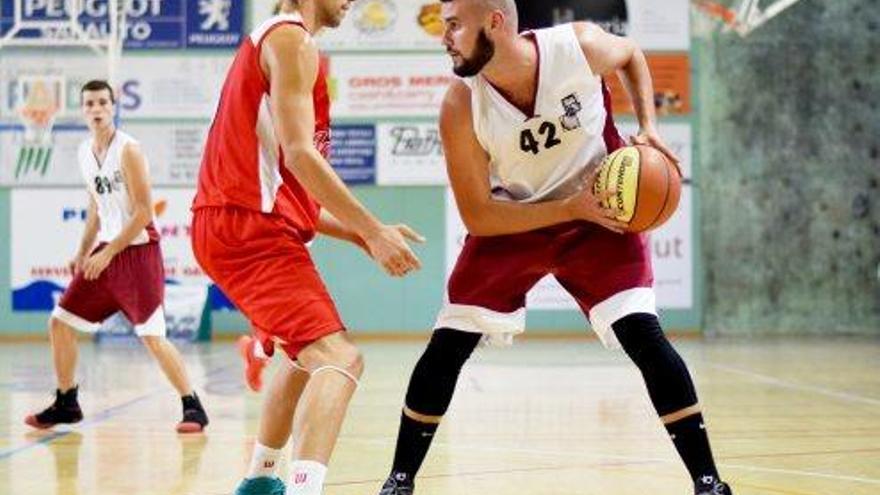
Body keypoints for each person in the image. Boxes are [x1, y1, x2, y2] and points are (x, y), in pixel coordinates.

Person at [377, 1, 732, 495]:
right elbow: (478, 215)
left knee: (645, 338)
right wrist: (570, 209)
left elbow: (629, 54)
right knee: (448, 344)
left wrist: (650, 128)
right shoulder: (460, 104)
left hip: (601, 216)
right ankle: (399, 480)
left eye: (454, 24)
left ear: (495, 23)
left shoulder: (576, 47)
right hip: (516, 221)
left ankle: (709, 482)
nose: (445, 36)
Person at [190, 0, 424, 493]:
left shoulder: (282, 41)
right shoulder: (292, 41)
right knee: (341, 358)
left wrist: (363, 234)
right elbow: (299, 155)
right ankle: (304, 488)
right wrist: (374, 228)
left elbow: (289, 193)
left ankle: (260, 481)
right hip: (248, 228)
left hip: (240, 223)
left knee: (302, 357)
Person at [24, 80, 209, 434]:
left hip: (137, 252)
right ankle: (66, 402)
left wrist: (107, 253)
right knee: (59, 322)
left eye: (102, 103)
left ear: (113, 106)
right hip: (104, 253)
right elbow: (95, 206)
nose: (96, 109)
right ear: (83, 110)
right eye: (89, 103)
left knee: (152, 336)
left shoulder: (129, 150)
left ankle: (193, 406)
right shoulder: (83, 152)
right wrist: (82, 252)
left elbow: (143, 212)